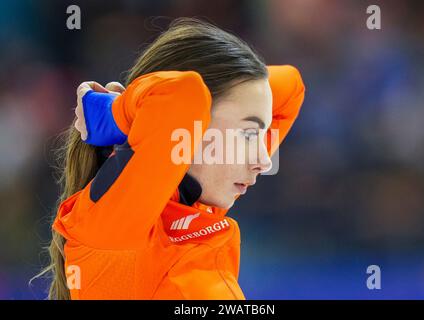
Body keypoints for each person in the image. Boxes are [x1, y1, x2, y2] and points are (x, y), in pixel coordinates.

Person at [45, 18, 305, 299]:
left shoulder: (193, 200)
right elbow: (183, 94)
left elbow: (291, 87)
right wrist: (116, 114)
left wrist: (129, 116)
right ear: (189, 127)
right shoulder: (119, 221)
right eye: (248, 134)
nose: (265, 161)